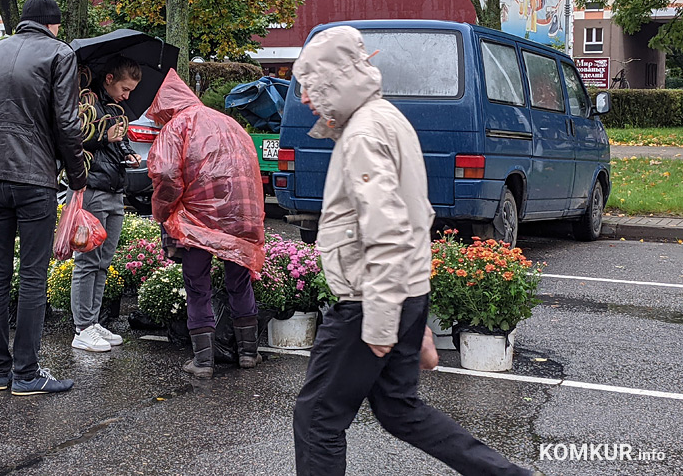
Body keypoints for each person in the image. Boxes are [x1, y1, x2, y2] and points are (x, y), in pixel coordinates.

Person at [291, 26, 532, 476]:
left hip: (367, 301)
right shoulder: (387, 118)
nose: (305, 98)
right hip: (397, 294)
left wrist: (386, 322)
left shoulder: (363, 134)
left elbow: (388, 231)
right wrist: (411, 316)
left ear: (335, 82)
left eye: (312, 86)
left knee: (317, 418)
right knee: (400, 410)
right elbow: (415, 216)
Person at [0, 0, 89, 396]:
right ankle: (26, 374)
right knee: (32, 276)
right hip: (35, 180)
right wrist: (78, 175)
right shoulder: (60, 54)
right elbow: (65, 122)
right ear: (53, 24)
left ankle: (0, 371)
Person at [146, 69, 265, 379]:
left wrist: (162, 212)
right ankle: (249, 354)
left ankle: (203, 362)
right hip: (242, 213)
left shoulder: (176, 127)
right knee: (238, 280)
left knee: (197, 284)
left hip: (199, 218)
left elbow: (168, 176)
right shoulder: (228, 122)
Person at [70, 56, 142, 352]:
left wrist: (126, 150)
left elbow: (114, 139)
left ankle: (94, 321)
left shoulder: (113, 107)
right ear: (109, 78)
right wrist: (104, 135)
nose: (127, 96)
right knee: (87, 261)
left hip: (114, 188)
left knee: (103, 262)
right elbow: (71, 136)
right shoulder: (84, 99)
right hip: (94, 188)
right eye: (125, 89)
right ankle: (82, 328)